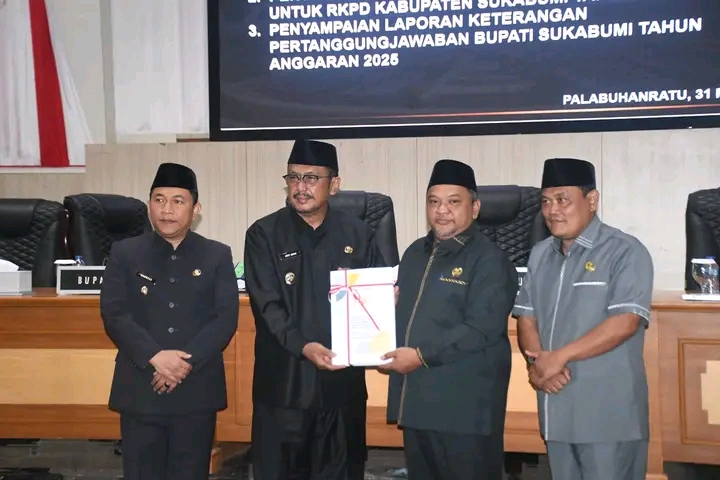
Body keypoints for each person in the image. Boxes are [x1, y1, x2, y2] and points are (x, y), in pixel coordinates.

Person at [244, 139, 389, 480]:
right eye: (293, 178)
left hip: (341, 389)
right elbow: (267, 307)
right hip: (285, 388)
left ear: (334, 185)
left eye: (311, 178)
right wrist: (303, 346)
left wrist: (385, 301)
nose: (301, 187)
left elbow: (377, 293)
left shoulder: (359, 233)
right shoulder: (263, 234)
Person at [513, 158, 654, 480]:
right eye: (546, 201)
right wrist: (537, 363)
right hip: (556, 405)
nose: (552, 210)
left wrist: (558, 358)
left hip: (608, 414)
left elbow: (625, 321)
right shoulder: (540, 254)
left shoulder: (624, 251)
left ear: (592, 200)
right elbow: (526, 317)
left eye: (563, 200)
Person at [100, 163, 240, 480]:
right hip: (140, 386)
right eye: (159, 200)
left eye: (178, 201)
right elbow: (114, 312)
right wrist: (154, 356)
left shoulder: (216, 254)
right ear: (149, 204)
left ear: (195, 209)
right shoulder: (125, 253)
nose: (167, 209)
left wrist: (183, 363)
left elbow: (225, 318)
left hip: (196, 389)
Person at [382, 159, 518, 480]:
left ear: (475, 208)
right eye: (434, 202)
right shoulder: (414, 254)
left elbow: (481, 329)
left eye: (453, 202)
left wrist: (420, 356)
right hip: (417, 405)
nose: (442, 210)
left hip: (465, 411)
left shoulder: (490, 260)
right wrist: (378, 309)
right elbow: (409, 316)